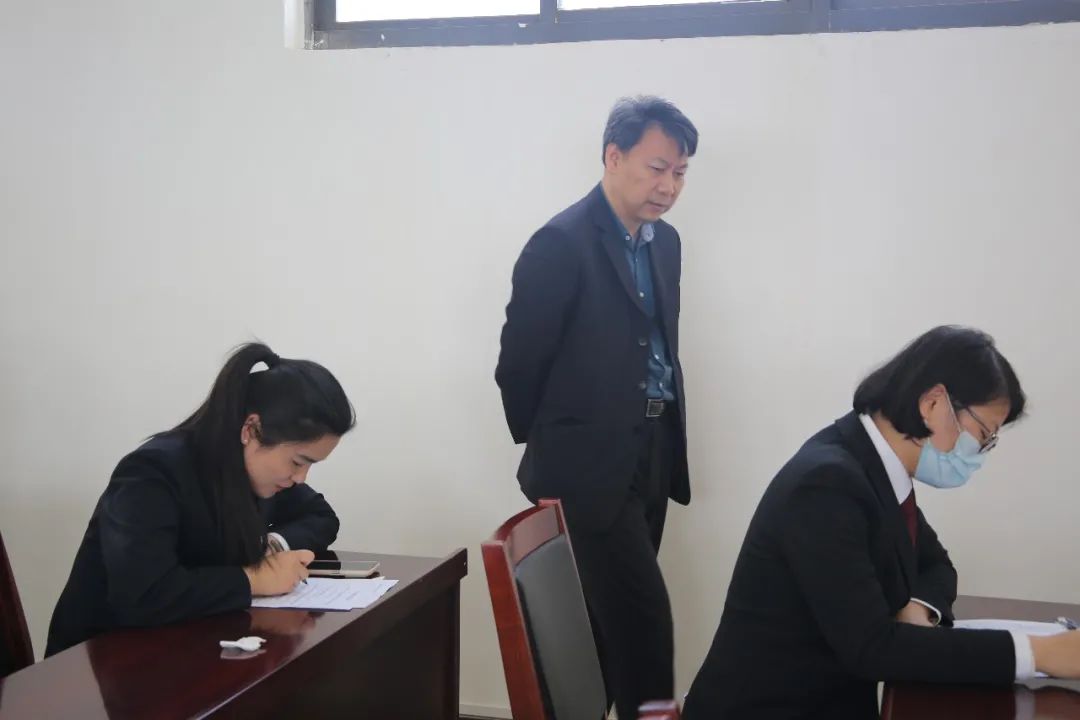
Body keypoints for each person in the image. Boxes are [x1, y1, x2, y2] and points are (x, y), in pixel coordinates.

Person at [683, 326, 1080, 719]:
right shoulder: (827, 483)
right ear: (933, 404)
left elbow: (937, 565)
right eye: (983, 435)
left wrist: (919, 608)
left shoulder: (877, 468)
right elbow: (872, 648)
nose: (979, 453)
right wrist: (1038, 653)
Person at [495, 95, 699, 718]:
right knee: (645, 622)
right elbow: (518, 364)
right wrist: (560, 448)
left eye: (680, 173)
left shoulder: (665, 244)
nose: (669, 186)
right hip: (587, 466)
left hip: (653, 450)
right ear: (613, 157)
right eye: (657, 168)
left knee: (608, 631)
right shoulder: (560, 243)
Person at [46, 342, 354, 656]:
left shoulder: (260, 474)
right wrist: (255, 578)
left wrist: (271, 546)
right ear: (252, 429)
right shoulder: (152, 472)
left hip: (192, 645)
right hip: (101, 661)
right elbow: (143, 595)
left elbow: (321, 517)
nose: (300, 478)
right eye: (298, 462)